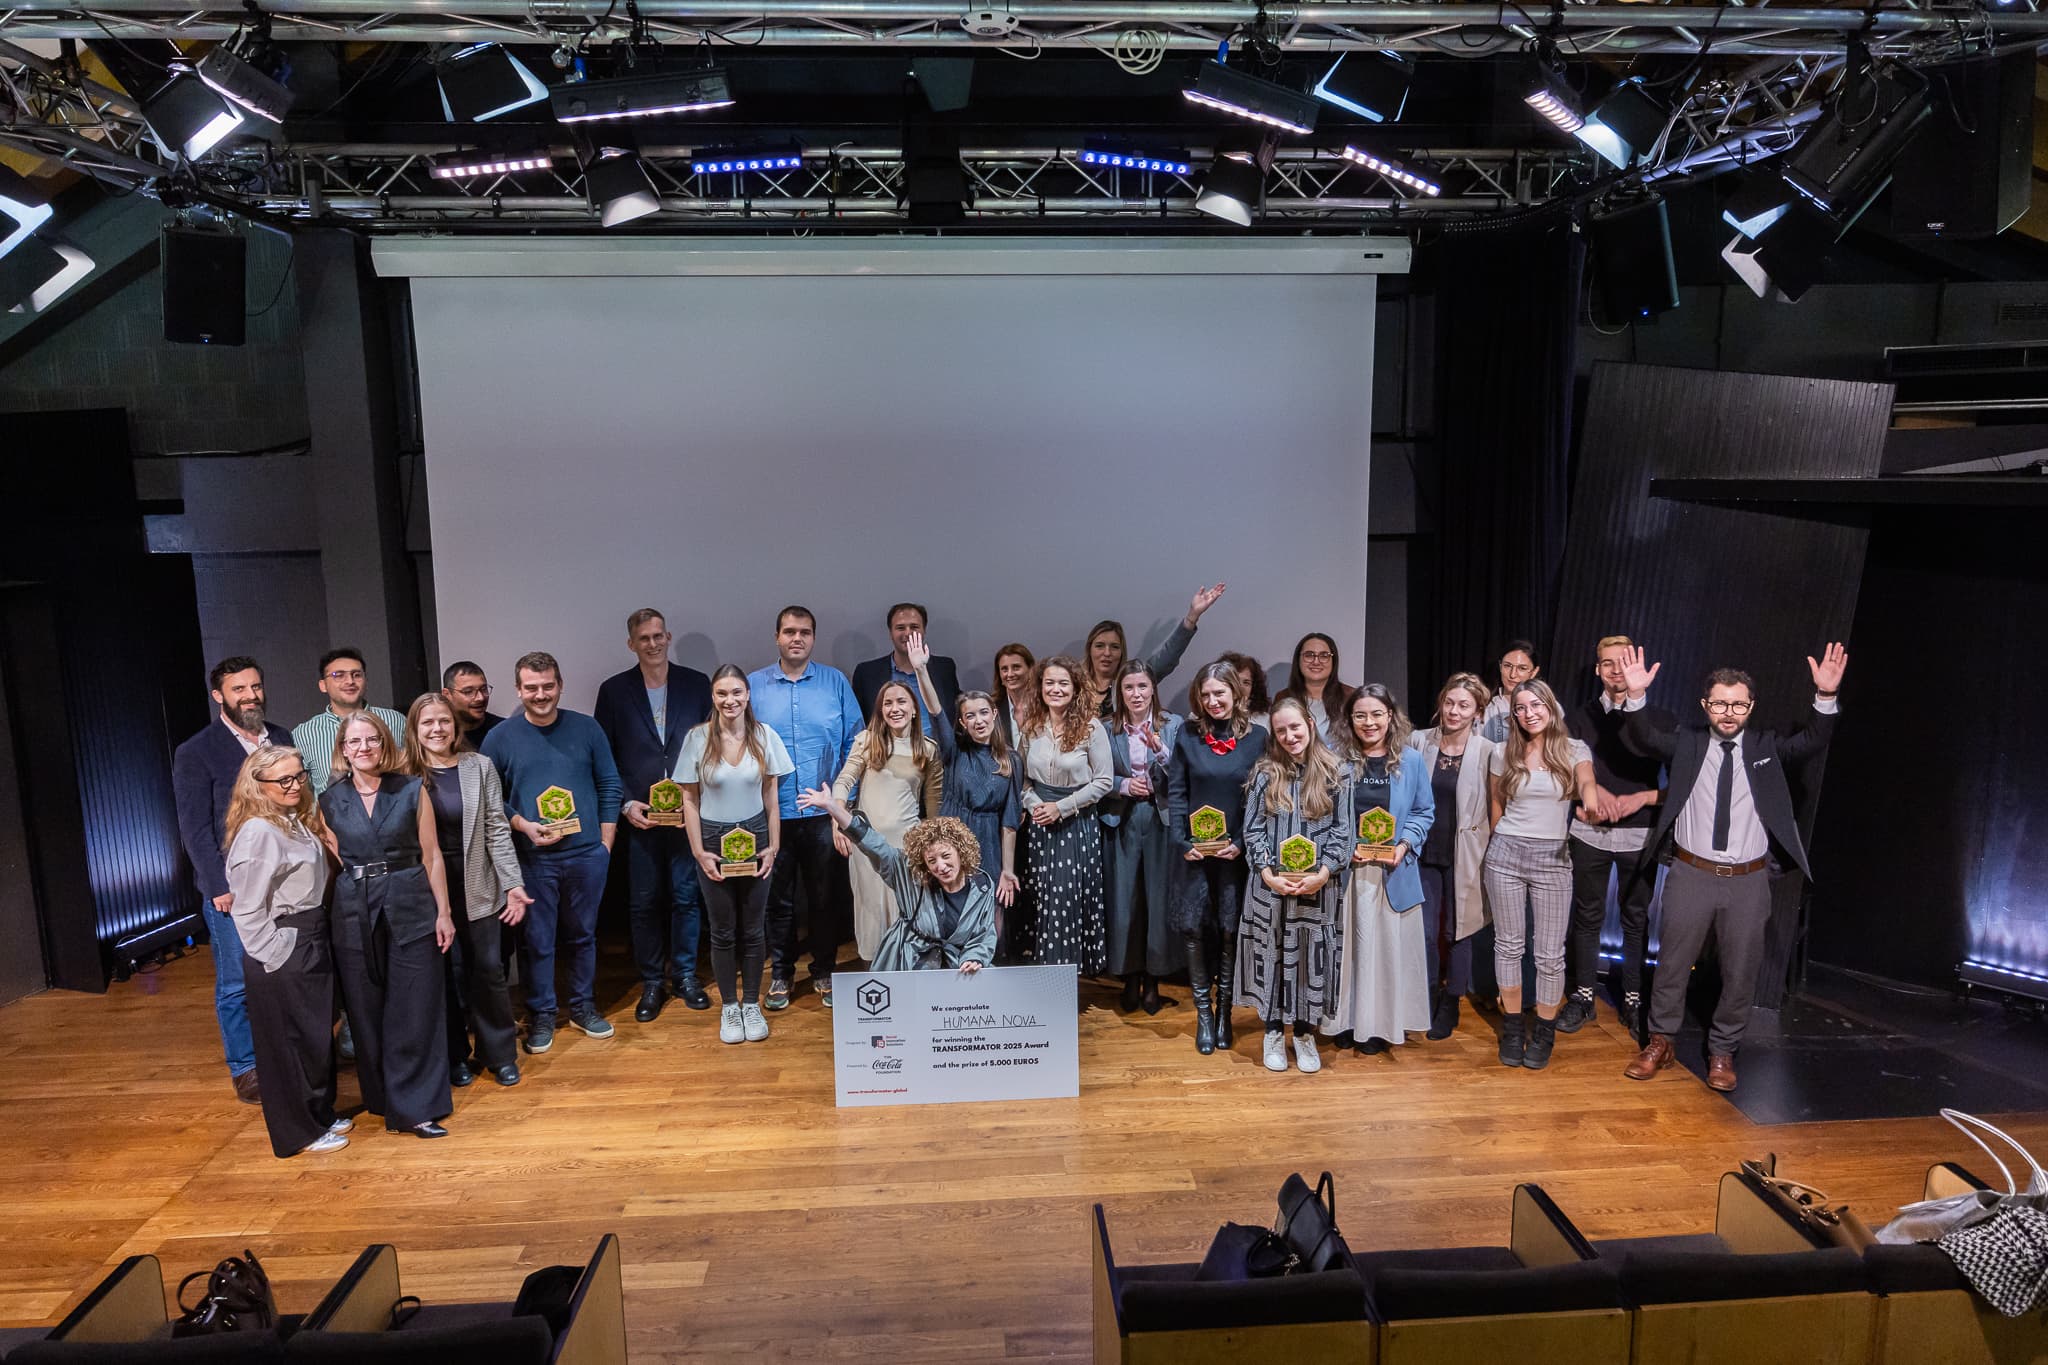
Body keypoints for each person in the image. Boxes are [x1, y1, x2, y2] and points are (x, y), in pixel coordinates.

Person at [1620, 643, 1847, 1093]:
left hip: (1747, 879)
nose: (1729, 712)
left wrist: (1824, 697)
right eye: (1720, 703)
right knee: (1670, 965)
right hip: (1691, 874)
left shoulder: (1765, 747)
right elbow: (1645, 737)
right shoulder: (1688, 743)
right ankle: (1660, 1041)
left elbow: (1812, 742)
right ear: (1706, 705)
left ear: (1751, 706)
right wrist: (1636, 697)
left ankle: (1723, 1050)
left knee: (1741, 971)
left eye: (1738, 704)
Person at [318, 712, 457, 1139]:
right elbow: (331, 861)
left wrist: (444, 913)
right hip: (354, 911)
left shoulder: (412, 789)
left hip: (411, 902)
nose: (363, 748)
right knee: (365, 1010)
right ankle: (382, 1098)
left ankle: (416, 1108)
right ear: (342, 749)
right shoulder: (328, 800)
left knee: (414, 1007)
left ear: (385, 745)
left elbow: (431, 855)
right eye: (354, 741)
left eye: (372, 740)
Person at [480, 651, 622, 1053]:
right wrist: (523, 825)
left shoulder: (587, 728)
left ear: (560, 685)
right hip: (532, 859)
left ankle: (582, 1007)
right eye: (531, 687)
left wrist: (605, 844)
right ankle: (542, 1015)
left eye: (547, 686)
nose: (540, 694)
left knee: (582, 936)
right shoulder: (501, 737)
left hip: (586, 856)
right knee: (537, 941)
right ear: (518, 689)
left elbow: (610, 784)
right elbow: (491, 800)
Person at [173, 655, 294, 1105]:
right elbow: (194, 827)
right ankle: (245, 1067)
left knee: (283, 971)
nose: (250, 696)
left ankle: (285, 1053)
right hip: (234, 886)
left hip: (285, 881)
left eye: (255, 687)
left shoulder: (280, 738)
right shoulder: (196, 751)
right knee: (236, 981)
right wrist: (216, 885)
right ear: (219, 695)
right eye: (239, 689)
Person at [222, 744, 349, 1157]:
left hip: (309, 936)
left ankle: (319, 1114)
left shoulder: (290, 821)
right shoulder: (259, 831)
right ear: (258, 785)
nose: (294, 785)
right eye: (283, 780)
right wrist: (276, 954)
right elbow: (247, 907)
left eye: (299, 776)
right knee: (290, 1043)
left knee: (312, 1037)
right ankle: (300, 1131)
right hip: (284, 944)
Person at [403, 693, 531, 1089]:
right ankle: (454, 1055)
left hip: (477, 880)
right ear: (415, 730)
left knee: (489, 970)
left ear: (455, 726)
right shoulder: (402, 773)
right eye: (427, 723)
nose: (437, 729)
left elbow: (496, 826)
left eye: (443, 721)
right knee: (442, 975)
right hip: (426, 889)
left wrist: (513, 883)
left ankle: (499, 1054)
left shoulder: (480, 767)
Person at [596, 608, 714, 1021]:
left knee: (686, 898)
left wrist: (694, 798)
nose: (653, 643)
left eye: (659, 635)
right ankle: (651, 982)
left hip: (687, 815)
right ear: (632, 644)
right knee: (644, 903)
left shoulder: (697, 684)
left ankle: (684, 976)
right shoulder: (613, 691)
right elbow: (605, 756)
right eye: (644, 638)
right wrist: (627, 803)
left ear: (669, 637)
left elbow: (711, 745)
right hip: (640, 817)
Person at [1485, 679, 1610, 1071]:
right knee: (1508, 946)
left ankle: (1543, 1030)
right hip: (1505, 853)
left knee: (1549, 955)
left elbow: (1587, 782)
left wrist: (1590, 802)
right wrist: (1496, 842)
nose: (1529, 713)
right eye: (1520, 708)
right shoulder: (1503, 752)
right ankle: (1512, 1026)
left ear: (1550, 707)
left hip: (1553, 857)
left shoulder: (1574, 750)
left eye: (1535, 705)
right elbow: (1495, 802)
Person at [751, 606, 864, 1010]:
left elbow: (857, 743)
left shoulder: (835, 682)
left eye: (805, 632)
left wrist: (842, 805)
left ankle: (824, 971)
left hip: (823, 814)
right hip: (772, 814)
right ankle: (781, 974)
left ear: (813, 638)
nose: (796, 638)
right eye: (789, 632)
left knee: (824, 898)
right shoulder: (753, 686)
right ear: (777, 636)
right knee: (776, 900)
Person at [674, 666, 794, 1045]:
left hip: (756, 836)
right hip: (712, 840)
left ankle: (752, 1005)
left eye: (737, 692)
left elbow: (772, 799)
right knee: (723, 930)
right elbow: (689, 800)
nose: (730, 700)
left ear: (747, 695)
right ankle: (730, 1005)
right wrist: (699, 851)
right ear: (713, 696)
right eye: (722, 693)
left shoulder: (764, 736)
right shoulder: (697, 738)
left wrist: (773, 846)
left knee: (754, 929)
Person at [1237, 698, 1356, 1074]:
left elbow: (1343, 832)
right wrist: (1266, 871)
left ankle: (1304, 1034)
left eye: (1295, 727)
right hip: (1270, 888)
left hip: (1318, 890)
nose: (1290, 736)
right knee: (1271, 954)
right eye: (1281, 731)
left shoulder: (1339, 773)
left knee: (1309, 961)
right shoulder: (1264, 773)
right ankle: (1272, 1030)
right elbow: (1253, 828)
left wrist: (1323, 872)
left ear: (1310, 723)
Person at [1559, 635, 1669, 1040]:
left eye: (1622, 662)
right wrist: (1594, 794)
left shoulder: (1661, 719)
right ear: (1597, 670)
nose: (1615, 670)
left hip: (1638, 836)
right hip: (1588, 831)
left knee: (1635, 921)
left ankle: (1634, 999)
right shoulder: (1578, 718)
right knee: (1586, 918)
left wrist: (1641, 797)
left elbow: (1685, 783)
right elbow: (1563, 770)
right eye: (1607, 663)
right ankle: (1584, 997)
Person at [1322, 686, 1435, 1053]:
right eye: (1360, 715)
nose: (1369, 723)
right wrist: (1341, 848)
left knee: (1384, 953)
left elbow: (1422, 811)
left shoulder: (1412, 760)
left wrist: (1403, 847)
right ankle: (1345, 1022)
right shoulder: (1335, 758)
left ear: (1390, 716)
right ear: (1349, 720)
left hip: (1391, 873)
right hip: (1347, 874)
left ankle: (1378, 1027)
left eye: (1376, 714)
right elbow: (1321, 810)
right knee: (1349, 952)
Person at [1165, 662, 1265, 1056]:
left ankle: (1225, 1012)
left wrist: (1241, 841)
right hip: (1194, 850)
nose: (1212, 701)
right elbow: (1176, 792)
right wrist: (1179, 838)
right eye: (1205, 695)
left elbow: (1262, 797)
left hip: (1234, 853)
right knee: (1193, 930)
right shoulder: (1187, 735)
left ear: (1235, 694)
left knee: (1228, 930)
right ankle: (1203, 1015)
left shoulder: (1257, 738)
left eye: (1219, 693)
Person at [798, 788, 998, 973]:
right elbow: (872, 843)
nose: (940, 866)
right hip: (911, 964)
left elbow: (984, 934)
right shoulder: (907, 873)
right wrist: (833, 808)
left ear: (961, 853)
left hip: (959, 968)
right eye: (931, 860)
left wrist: (975, 958)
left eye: (946, 856)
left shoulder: (982, 886)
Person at [906, 631, 1019, 917]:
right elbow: (934, 711)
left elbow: (1009, 821)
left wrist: (1008, 869)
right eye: (970, 716)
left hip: (989, 844)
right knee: (951, 911)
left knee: (990, 912)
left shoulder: (1012, 760)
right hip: (952, 841)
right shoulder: (954, 750)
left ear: (994, 713)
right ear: (962, 722)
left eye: (983, 713)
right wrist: (921, 669)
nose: (978, 720)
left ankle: (989, 962)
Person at [1017, 654, 1114, 985]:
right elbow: (1022, 780)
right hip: (1040, 823)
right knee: (1044, 898)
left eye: (1063, 683)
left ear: (1075, 689)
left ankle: (1064, 982)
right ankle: (1046, 974)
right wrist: (1033, 805)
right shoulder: (1031, 726)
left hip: (1075, 823)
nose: (1055, 689)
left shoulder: (1091, 727)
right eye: (1049, 683)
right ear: (1040, 687)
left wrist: (1063, 807)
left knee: (1066, 900)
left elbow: (1104, 782)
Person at [1411, 673, 1498, 1040]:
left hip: (1466, 853)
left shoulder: (1487, 751)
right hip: (1424, 852)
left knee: (1459, 929)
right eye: (1449, 703)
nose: (1454, 711)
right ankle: (1427, 996)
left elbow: (1496, 805)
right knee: (1426, 931)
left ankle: (1451, 1001)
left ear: (1477, 712)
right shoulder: (1418, 741)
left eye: (1464, 705)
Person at [833, 680, 943, 960]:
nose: (895, 708)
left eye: (901, 702)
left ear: (914, 709)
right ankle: (876, 970)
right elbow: (845, 781)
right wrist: (837, 817)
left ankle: (906, 971)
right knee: (870, 908)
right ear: (880, 711)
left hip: (907, 844)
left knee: (904, 907)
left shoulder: (928, 750)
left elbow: (934, 803)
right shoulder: (867, 741)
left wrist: (933, 845)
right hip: (866, 845)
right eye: (888, 703)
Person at [1101, 659, 1185, 1013]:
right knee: (1125, 902)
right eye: (1129, 688)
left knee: (1157, 899)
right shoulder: (1107, 728)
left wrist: (1159, 752)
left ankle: (1154, 979)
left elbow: (1182, 774)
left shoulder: (1173, 725)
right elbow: (1095, 774)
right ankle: (1129, 976)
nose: (1136, 694)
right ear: (1120, 692)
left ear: (1153, 689)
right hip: (1123, 818)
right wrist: (1123, 785)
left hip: (1160, 817)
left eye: (1142, 687)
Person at [1082, 583, 1228, 716]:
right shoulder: (1074, 683)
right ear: (1090, 649)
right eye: (1100, 646)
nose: (1107, 653)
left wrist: (1192, 617)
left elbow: (1167, 658)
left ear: (1121, 652)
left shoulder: (1131, 679)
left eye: (1114, 647)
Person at [293, 647, 409, 796]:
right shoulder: (304, 734)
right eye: (338, 675)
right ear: (323, 685)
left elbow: (410, 771)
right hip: (329, 817)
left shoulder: (395, 721)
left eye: (357, 675)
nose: (350, 681)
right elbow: (302, 792)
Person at [852, 603, 961, 734]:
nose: (908, 633)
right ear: (890, 633)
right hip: (886, 751)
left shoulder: (944, 668)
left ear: (924, 630)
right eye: (900, 628)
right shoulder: (867, 673)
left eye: (914, 627)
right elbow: (859, 723)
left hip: (937, 751)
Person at [1274, 634, 1351, 741]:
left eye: (1324, 656)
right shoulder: (1283, 697)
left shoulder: (1350, 697)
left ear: (1333, 661)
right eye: (1309, 655)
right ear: (1298, 660)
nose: (1316, 661)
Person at [1479, 640, 1542, 743]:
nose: (1512, 675)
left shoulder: (1547, 707)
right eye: (1507, 666)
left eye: (1522, 668)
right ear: (1500, 666)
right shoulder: (1487, 708)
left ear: (1534, 672)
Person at [442, 661, 503, 751]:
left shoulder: (503, 730)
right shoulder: (438, 734)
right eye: (468, 691)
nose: (480, 698)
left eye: (483, 689)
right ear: (447, 695)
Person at [992, 643, 1036, 748]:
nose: (1010, 674)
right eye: (1004, 669)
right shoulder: (992, 708)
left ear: (1030, 670)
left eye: (1016, 667)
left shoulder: (1045, 706)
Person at [1218, 651, 1272, 729]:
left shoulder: (1264, 720)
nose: (1240, 687)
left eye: (1246, 683)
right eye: (1235, 681)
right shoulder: (1203, 718)